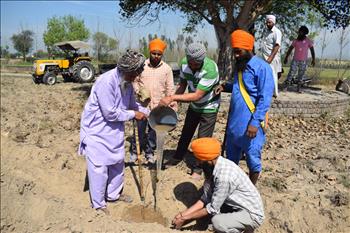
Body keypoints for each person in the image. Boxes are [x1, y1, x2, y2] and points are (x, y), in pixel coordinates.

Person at [78, 50, 149, 214]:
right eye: (135, 74)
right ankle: (99, 204)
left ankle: (113, 195)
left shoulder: (128, 83)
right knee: (99, 168)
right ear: (127, 71)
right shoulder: (106, 82)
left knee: (117, 162)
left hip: (114, 130)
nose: (136, 77)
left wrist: (148, 112)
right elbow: (110, 113)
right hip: (98, 130)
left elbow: (133, 105)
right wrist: (133, 114)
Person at [171, 137, 264, 233]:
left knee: (217, 222)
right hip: (235, 207)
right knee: (214, 215)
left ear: (207, 160)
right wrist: (182, 215)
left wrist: (184, 219)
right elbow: (205, 198)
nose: (197, 163)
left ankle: (246, 228)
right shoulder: (212, 168)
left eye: (199, 160)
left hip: (251, 214)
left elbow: (212, 209)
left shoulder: (224, 176)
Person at [218, 29, 274, 185]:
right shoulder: (241, 67)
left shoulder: (262, 68)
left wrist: (255, 123)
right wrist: (225, 87)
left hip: (251, 126)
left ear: (249, 49)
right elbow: (241, 88)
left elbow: (264, 98)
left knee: (252, 159)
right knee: (231, 160)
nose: (236, 55)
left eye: (238, 52)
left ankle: (250, 190)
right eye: (234, 52)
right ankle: (232, 187)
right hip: (234, 124)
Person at [159, 43, 220, 180]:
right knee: (186, 132)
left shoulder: (210, 69)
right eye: (191, 63)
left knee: (203, 139)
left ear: (201, 60)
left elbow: (197, 95)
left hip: (208, 107)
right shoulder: (184, 63)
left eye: (196, 64)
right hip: (194, 106)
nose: (192, 66)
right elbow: (183, 84)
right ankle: (178, 156)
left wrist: (172, 97)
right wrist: (174, 101)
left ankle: (198, 168)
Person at [130, 38, 177, 164]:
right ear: (149, 52)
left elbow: (170, 88)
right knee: (139, 130)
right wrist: (138, 91)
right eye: (154, 53)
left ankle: (149, 153)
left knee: (153, 132)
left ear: (162, 54)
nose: (156, 56)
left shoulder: (167, 69)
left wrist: (172, 105)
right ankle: (135, 152)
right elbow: (134, 81)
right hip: (141, 105)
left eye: (159, 54)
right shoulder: (142, 66)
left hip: (158, 107)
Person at [261, 14, 282, 97]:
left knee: (273, 74)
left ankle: (275, 93)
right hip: (263, 56)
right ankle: (265, 91)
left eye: (269, 22)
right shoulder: (266, 31)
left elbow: (277, 46)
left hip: (272, 57)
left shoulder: (277, 32)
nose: (268, 24)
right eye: (267, 22)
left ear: (273, 22)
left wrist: (270, 58)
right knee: (264, 74)